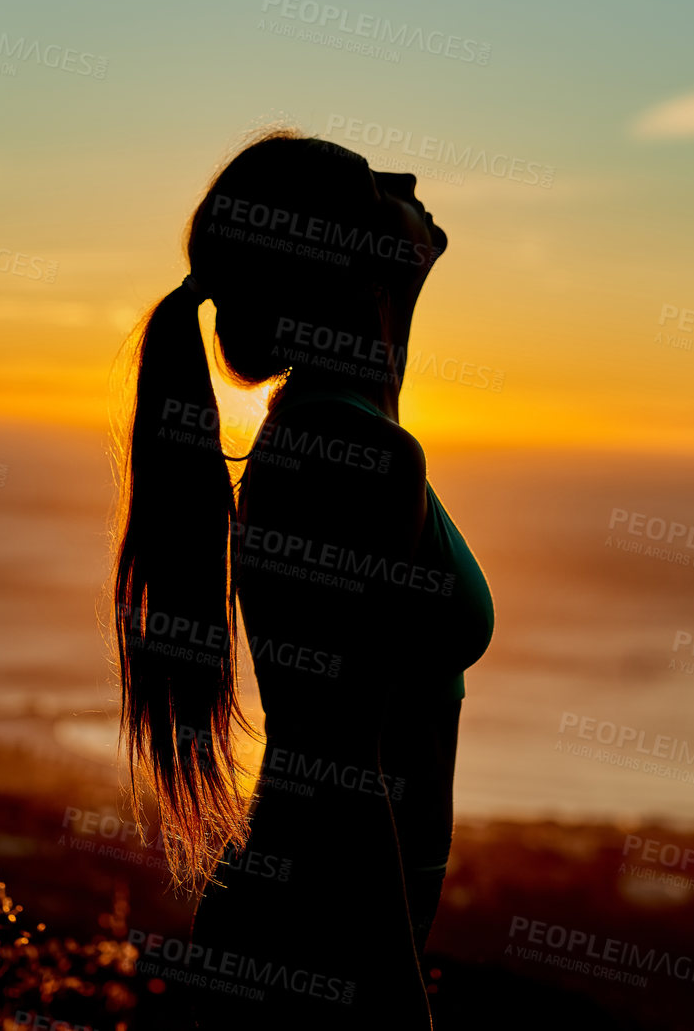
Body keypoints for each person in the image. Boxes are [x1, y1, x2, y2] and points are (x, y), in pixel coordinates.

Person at [111, 130, 495, 1027]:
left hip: (311, 929)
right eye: (376, 183)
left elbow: (379, 351)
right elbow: (336, 766)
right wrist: (404, 1014)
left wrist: (396, 249)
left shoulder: (349, 424)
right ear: (356, 266)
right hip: (317, 947)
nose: (405, 176)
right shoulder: (355, 455)